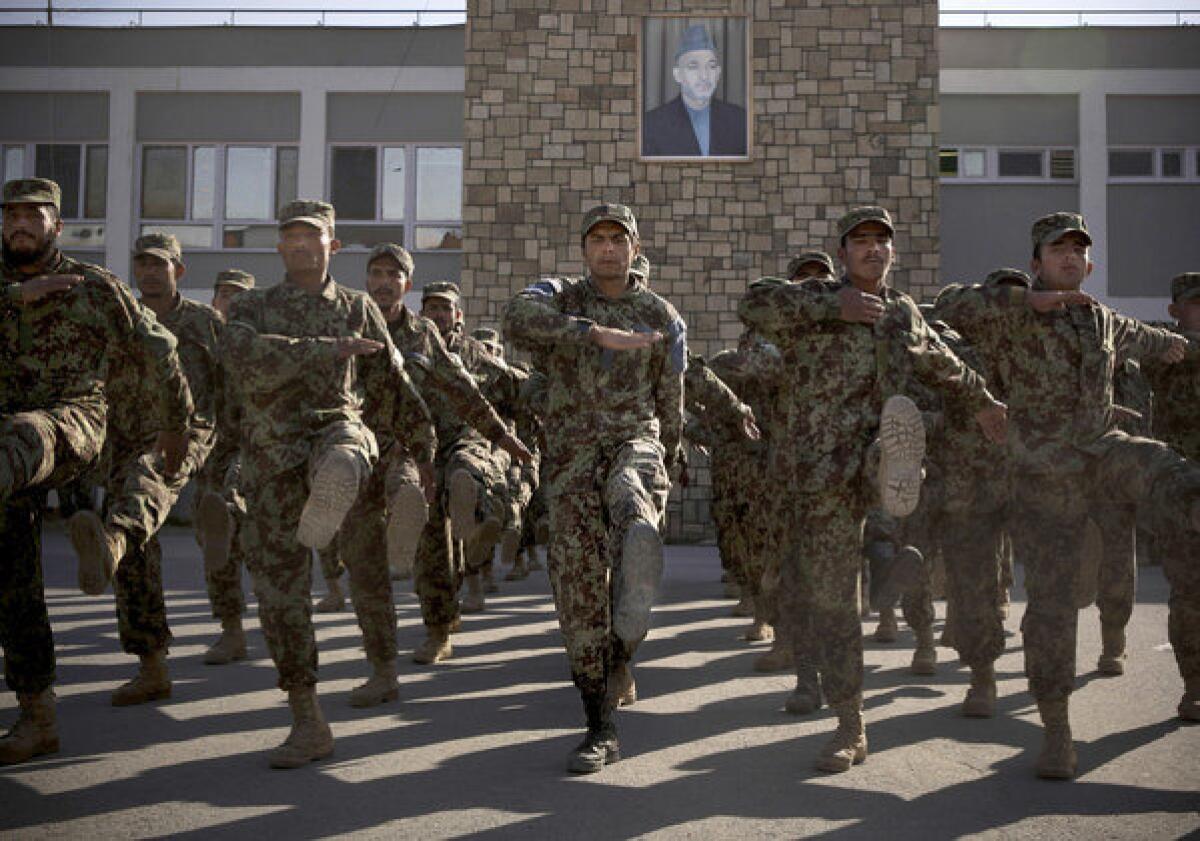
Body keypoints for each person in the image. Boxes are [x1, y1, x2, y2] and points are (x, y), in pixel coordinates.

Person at [738, 206, 1007, 773]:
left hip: (873, 452)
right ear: (842, 254)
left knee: (894, 447)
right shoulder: (812, 303)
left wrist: (983, 403)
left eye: (882, 242)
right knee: (836, 601)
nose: (873, 250)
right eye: (860, 242)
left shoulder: (901, 312)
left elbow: (943, 361)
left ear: (893, 253)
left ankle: (892, 501)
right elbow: (754, 302)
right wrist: (827, 303)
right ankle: (850, 724)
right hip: (820, 472)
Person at [933, 213, 1200, 778]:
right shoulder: (1011, 317)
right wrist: (1023, 302)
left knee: (1178, 476)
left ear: (1090, 264)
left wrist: (1178, 345)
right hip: (1042, 472)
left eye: (1079, 250)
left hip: (1104, 453)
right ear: (1037, 264)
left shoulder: (1101, 319)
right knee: (1051, 606)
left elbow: (1159, 343)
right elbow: (948, 305)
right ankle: (1057, 732)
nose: (1070, 257)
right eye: (1058, 250)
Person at [220, 200, 436, 768]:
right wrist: (325, 350)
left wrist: (424, 452)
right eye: (289, 237)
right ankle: (307, 720)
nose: (299, 245)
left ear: (332, 245)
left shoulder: (358, 307)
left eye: (311, 237)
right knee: (280, 595)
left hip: (330, 432)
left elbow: (389, 380)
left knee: (350, 443)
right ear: (279, 247)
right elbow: (240, 356)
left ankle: (339, 481)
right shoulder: (253, 305)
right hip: (272, 459)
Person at [0, 177, 193, 764]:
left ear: (58, 225)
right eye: (10, 216)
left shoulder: (93, 287)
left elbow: (159, 347)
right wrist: (15, 300)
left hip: (73, 423)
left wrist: (177, 424)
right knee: (14, 582)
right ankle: (37, 716)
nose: (20, 225)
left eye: (34, 216)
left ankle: (110, 550)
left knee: (26, 434)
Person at [502, 203, 685, 774]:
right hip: (570, 461)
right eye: (598, 239)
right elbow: (515, 320)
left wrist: (670, 462)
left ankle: (637, 535)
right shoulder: (560, 299)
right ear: (584, 249)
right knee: (579, 590)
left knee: (632, 496)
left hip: (634, 438)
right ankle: (599, 726)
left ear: (635, 245)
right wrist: (592, 334)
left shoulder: (659, 313)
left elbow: (670, 398)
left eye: (618, 238)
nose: (608, 248)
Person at [67, 233, 223, 705]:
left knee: (147, 480)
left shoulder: (204, 322)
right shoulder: (121, 319)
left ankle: (114, 541)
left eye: (161, 263)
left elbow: (235, 378)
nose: (151, 271)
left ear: (180, 270)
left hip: (184, 433)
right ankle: (152, 666)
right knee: (136, 558)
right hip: (124, 440)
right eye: (143, 263)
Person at [361, 243, 528, 662]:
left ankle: (440, 627)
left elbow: (460, 385)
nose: (384, 282)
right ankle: (408, 645)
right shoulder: (352, 326)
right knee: (399, 551)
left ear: (406, 284)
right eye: (376, 273)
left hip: (431, 446)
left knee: (439, 529)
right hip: (376, 451)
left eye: (392, 275)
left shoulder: (421, 334)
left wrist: (501, 435)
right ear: (367, 280)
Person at [1139, 271, 1200, 721]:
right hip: (1183, 487)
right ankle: (1194, 684)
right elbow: (1158, 357)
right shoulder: (1165, 349)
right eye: (1195, 304)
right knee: (1190, 589)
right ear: (1175, 310)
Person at [642, 23, 747, 157]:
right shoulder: (651, 125)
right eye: (693, 66)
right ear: (677, 75)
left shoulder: (740, 120)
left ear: (718, 73)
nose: (704, 76)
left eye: (711, 66)